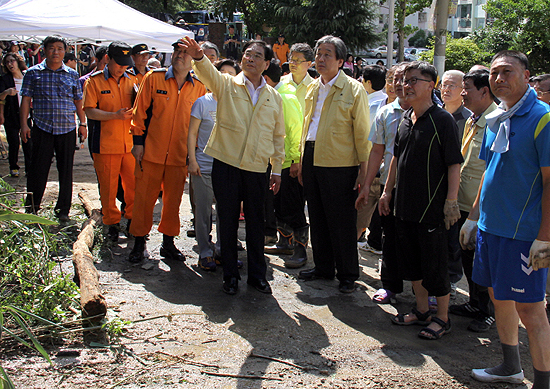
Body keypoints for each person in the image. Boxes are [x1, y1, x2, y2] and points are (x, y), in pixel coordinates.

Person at [460, 50, 550, 387]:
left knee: (531, 309)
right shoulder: (498, 116)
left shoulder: (543, 118)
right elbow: (489, 170)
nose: (499, 78)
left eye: (507, 71)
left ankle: (543, 381)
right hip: (491, 229)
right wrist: (473, 218)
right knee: (499, 297)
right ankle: (511, 367)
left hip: (524, 234)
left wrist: (545, 236)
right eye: (495, 72)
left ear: (526, 76)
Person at [181, 37, 285, 295]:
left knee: (255, 222)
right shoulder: (226, 85)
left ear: (266, 63)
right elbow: (207, 73)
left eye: (257, 55)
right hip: (226, 164)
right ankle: (230, 275)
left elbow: (277, 135)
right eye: (247, 54)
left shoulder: (273, 97)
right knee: (226, 221)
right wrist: (198, 57)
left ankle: (257, 276)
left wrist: (276, 168)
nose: (250, 58)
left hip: (256, 166)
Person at [379, 61, 463, 340]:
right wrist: (387, 191)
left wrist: (451, 202)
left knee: (434, 264)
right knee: (411, 262)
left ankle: (442, 317)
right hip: (403, 206)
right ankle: (421, 310)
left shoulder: (443, 121)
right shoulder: (405, 118)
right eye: (404, 80)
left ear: (431, 85)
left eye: (414, 80)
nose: (406, 85)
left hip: (431, 208)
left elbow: (453, 164)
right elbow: (395, 158)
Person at [297, 35, 371, 294]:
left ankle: (348, 273)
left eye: (328, 54)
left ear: (341, 60)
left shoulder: (353, 89)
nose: (321, 58)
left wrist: (364, 170)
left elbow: (363, 133)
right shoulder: (313, 87)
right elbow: (308, 127)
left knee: (341, 220)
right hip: (312, 157)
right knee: (316, 216)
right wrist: (301, 160)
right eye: (318, 54)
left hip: (341, 164)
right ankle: (323, 267)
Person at [128, 39, 206, 263]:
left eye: (185, 52)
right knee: (144, 199)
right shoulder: (154, 78)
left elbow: (200, 125)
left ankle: (168, 243)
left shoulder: (199, 86)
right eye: (177, 51)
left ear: (193, 60)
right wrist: (138, 143)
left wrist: (194, 155)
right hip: (150, 152)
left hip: (180, 155)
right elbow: (139, 113)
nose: (180, 55)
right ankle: (139, 242)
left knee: (173, 202)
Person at [447, 69, 497, 332]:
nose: (462, 93)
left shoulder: (497, 121)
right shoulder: (472, 120)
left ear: (484, 91)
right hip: (464, 203)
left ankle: (488, 311)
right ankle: (475, 303)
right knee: (467, 255)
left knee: (483, 259)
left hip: (483, 208)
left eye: (467, 88)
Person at [356, 64, 410, 304]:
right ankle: (390, 286)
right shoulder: (386, 113)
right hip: (385, 183)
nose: (396, 84)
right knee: (387, 236)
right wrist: (367, 182)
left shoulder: (433, 114)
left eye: (403, 79)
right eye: (392, 78)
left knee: (413, 240)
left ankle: (425, 292)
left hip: (414, 188)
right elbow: (376, 150)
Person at [20, 35, 87, 222]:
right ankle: (32, 208)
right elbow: (26, 99)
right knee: (37, 170)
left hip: (66, 128)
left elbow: (78, 100)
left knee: (66, 170)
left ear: (65, 51)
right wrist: (24, 124)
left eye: (59, 48)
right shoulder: (33, 73)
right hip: (42, 128)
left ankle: (63, 210)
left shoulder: (72, 74)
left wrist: (82, 123)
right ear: (44, 50)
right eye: (51, 48)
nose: (55, 52)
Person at [188, 59, 240, 271]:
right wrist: (192, 160)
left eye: (231, 73)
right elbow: (192, 134)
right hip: (203, 166)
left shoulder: (238, 103)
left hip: (228, 167)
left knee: (226, 212)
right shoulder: (202, 103)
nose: (226, 77)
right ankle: (205, 252)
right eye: (222, 73)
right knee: (203, 212)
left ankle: (222, 250)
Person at [83, 41, 138, 242]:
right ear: (107, 59)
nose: (123, 68)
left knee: (133, 185)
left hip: (130, 145)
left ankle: (132, 220)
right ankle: (111, 222)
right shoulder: (94, 81)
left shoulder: (132, 80)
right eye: (119, 64)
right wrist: (114, 115)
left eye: (126, 64)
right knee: (108, 187)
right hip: (105, 145)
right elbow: (89, 110)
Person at [262, 59, 307, 268]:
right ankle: (285, 242)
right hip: (277, 161)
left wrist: (297, 160)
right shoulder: (276, 94)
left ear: (266, 78)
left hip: (289, 163)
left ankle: (300, 249)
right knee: (279, 205)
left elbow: (296, 132)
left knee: (293, 207)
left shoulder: (284, 98)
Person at [440, 69, 472, 295]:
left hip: (459, 192)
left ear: (464, 90)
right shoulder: (432, 113)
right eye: (444, 85)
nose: (447, 89)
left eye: (453, 85)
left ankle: (452, 277)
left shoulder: (470, 119)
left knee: (455, 239)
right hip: (433, 186)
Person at [0, 53, 32, 177]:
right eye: (7, 62)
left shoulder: (27, 76)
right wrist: (6, 92)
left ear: (18, 62)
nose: (10, 64)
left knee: (28, 142)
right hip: (11, 114)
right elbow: (0, 99)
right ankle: (14, 167)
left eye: (12, 61)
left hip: (27, 115)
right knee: (13, 142)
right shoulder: (4, 79)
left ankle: (29, 168)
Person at [280, 43, 314, 114]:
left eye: (298, 61)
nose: (293, 63)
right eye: (291, 59)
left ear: (309, 64)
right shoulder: (280, 83)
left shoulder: (315, 86)